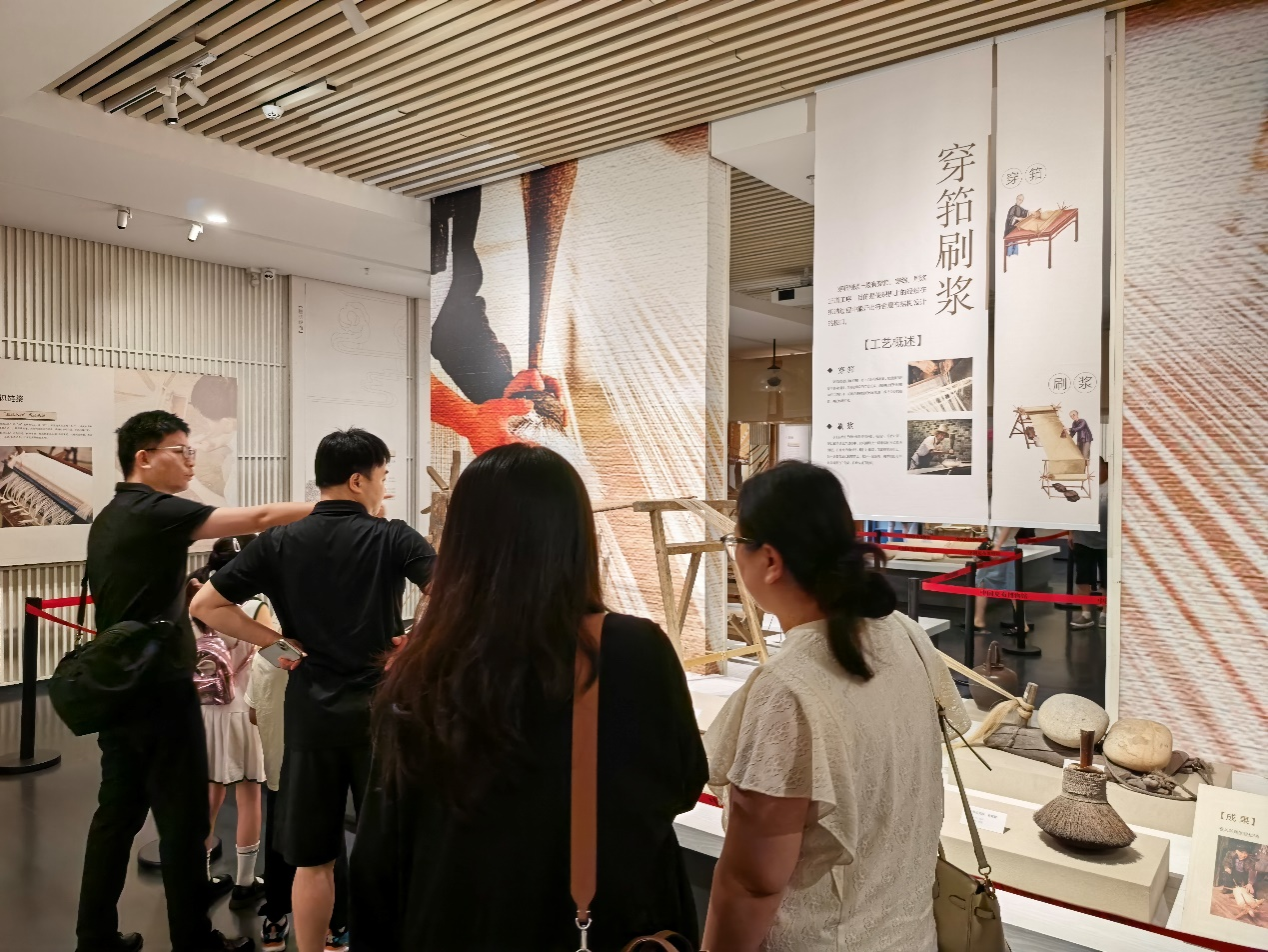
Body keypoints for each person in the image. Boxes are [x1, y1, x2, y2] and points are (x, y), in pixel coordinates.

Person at [352, 444, 707, 951]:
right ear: (576, 537)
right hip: (589, 926)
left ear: (461, 543)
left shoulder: (421, 667)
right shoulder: (631, 650)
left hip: (452, 924)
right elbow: (681, 784)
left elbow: (380, 852)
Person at [702, 461, 969, 952]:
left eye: (737, 542)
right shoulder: (904, 633)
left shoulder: (787, 688)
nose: (734, 555)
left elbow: (752, 883)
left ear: (771, 560)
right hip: (912, 937)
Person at [77, 410, 313, 952]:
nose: (190, 462)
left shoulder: (112, 514)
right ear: (144, 458)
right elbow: (260, 516)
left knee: (116, 818)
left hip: (121, 690)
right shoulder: (154, 511)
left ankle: (94, 937)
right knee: (183, 822)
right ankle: (193, 939)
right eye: (181, 451)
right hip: (162, 695)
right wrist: (339, 506)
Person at [191, 429, 435, 952]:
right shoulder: (394, 537)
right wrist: (412, 644)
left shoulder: (278, 542)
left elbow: (205, 605)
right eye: (382, 476)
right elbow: (454, 594)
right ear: (358, 480)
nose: (384, 487)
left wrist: (277, 646)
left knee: (312, 859)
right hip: (377, 715)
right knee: (388, 849)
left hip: (310, 714)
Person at [243, 607, 352, 952]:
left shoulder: (266, 658)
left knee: (279, 844)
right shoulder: (332, 658)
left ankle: (275, 920)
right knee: (330, 851)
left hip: (279, 771)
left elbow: (253, 714)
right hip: (322, 773)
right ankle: (337, 925)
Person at [186, 537, 268, 912]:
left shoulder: (194, 601)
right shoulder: (254, 605)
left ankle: (201, 880)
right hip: (244, 711)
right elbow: (273, 656)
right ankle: (246, 884)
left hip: (205, 710)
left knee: (209, 793)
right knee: (249, 794)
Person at [1071, 458, 1110, 629]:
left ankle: (1106, 613)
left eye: (1097, 466)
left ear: (1105, 467)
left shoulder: (1113, 486)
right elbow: (1071, 508)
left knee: (1107, 578)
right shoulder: (1083, 485)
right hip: (1083, 538)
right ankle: (1086, 614)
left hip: (1108, 540)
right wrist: (1070, 532)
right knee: (1083, 577)